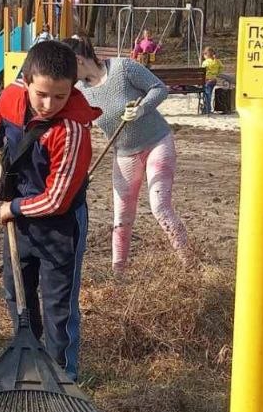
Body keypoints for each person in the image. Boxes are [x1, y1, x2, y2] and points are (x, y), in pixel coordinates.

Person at [0, 40, 101, 380]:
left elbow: (56, 200)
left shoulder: (72, 131)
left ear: (73, 88)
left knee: (58, 305)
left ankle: (63, 376)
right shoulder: (10, 96)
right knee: (15, 287)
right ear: (27, 82)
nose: (49, 104)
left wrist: (14, 207)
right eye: (42, 95)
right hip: (20, 219)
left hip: (59, 225)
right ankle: (31, 357)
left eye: (60, 96)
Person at [66, 37, 193, 276]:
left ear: (78, 60)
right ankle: (118, 274)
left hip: (157, 142)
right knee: (121, 216)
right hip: (124, 153)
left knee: (159, 206)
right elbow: (82, 122)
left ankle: (189, 263)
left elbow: (159, 89)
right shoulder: (80, 92)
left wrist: (141, 108)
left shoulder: (122, 68)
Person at [201, 46, 223, 114]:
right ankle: (207, 108)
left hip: (207, 80)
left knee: (208, 94)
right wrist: (216, 74)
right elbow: (221, 68)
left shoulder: (205, 62)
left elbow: (202, 72)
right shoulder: (217, 61)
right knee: (209, 93)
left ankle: (207, 108)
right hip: (214, 80)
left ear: (206, 55)